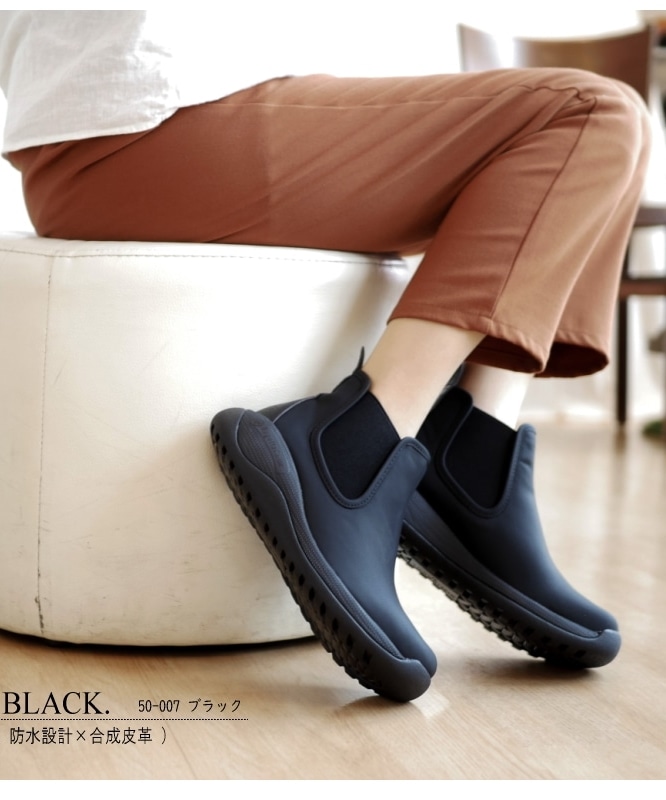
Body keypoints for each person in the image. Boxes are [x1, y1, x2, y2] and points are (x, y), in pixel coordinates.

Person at [0, 10, 650, 702]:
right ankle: (353, 446)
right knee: (591, 114)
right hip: (153, 125)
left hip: (126, 128)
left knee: (608, 136)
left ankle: (473, 450)